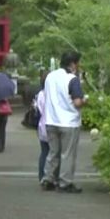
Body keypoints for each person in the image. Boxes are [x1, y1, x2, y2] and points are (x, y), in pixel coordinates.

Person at [41, 51, 87, 193]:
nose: (79, 66)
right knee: (67, 154)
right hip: (68, 122)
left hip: (51, 120)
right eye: (78, 63)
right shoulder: (72, 79)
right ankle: (65, 183)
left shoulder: (50, 76)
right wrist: (86, 100)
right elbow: (77, 102)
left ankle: (48, 179)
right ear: (73, 64)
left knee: (53, 152)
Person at [34, 72, 59, 181]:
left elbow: (38, 110)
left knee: (44, 152)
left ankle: (41, 176)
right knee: (55, 152)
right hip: (53, 124)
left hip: (42, 125)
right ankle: (53, 176)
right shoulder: (55, 94)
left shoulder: (40, 94)